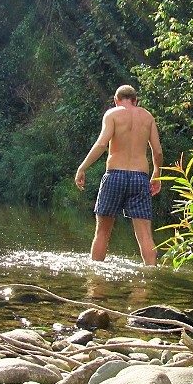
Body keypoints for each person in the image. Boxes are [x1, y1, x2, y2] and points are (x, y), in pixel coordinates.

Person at [74, 85, 162, 265]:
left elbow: (101, 145)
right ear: (136, 100)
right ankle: (152, 277)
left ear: (116, 100)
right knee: (145, 235)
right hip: (140, 177)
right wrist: (157, 173)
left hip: (115, 175)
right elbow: (158, 152)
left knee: (103, 232)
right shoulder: (148, 117)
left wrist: (82, 167)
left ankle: (96, 279)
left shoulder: (112, 114)